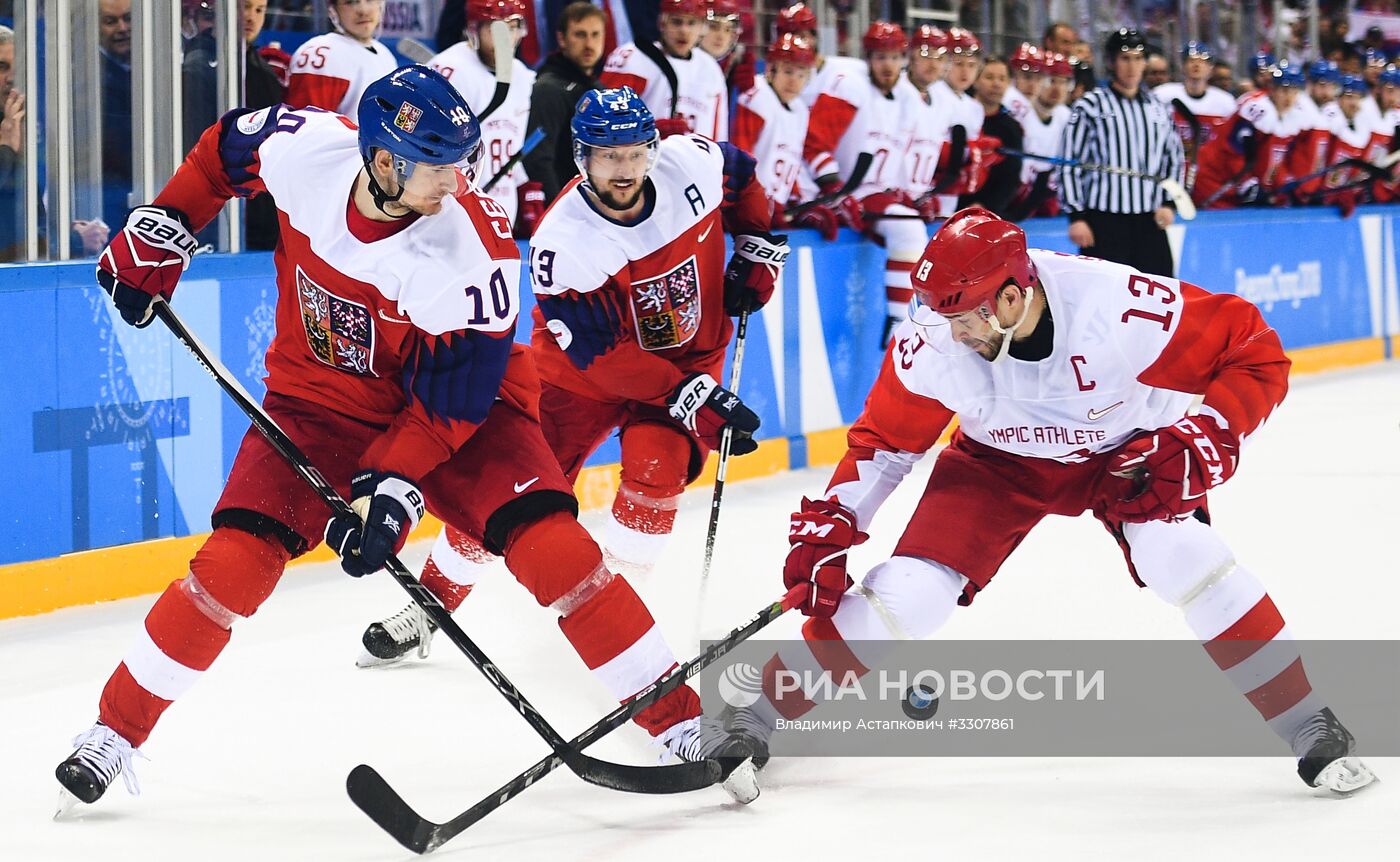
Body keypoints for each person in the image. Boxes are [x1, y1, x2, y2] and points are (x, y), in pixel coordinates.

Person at [54, 67, 744, 810]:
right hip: (317, 407)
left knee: (557, 551)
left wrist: (391, 489)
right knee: (231, 566)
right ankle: (113, 732)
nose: (459, 180)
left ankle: (680, 724)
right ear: (382, 161)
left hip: (464, 413)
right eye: (440, 164)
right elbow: (224, 149)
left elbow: (454, 402)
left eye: (463, 160)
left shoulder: (473, 252)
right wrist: (168, 224)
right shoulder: (306, 151)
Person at [744, 207, 1377, 797]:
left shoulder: (1118, 308)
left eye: (963, 317)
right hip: (998, 464)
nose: (950, 332)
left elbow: (1254, 351)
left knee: (1185, 556)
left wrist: (1204, 435)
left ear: (1014, 297)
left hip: (1124, 455)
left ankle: (1307, 722)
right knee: (909, 593)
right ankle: (753, 717)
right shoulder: (935, 338)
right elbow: (884, 443)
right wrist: (834, 522)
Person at [356, 86, 780, 664]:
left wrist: (756, 244)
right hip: (578, 380)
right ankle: (430, 608)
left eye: (634, 153)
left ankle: (621, 614)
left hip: (682, 362)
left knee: (657, 470)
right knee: (513, 494)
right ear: (583, 159)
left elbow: (744, 177)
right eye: (608, 155)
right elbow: (602, 356)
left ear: (654, 150)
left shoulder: (695, 164)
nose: (624, 168)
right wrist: (687, 394)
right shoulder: (564, 240)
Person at [804, 22, 923, 344]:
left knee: (915, 224)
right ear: (868, 58)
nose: (888, 65)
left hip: (878, 194)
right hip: (847, 192)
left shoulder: (907, 96)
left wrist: (909, 191)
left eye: (895, 57)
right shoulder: (849, 86)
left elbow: (901, 152)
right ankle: (900, 323)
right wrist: (834, 191)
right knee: (908, 228)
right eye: (880, 57)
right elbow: (814, 142)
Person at [1059, 28, 1182, 277]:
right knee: (1102, 298)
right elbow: (1069, 162)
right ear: (1112, 62)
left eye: (1138, 58)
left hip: (1149, 219)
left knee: (1159, 293)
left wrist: (1170, 203)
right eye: (1125, 59)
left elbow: (1174, 159)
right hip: (1103, 221)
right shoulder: (1090, 105)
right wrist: (1076, 216)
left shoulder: (1158, 108)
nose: (1132, 66)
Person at [429, 0, 542, 237]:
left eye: (512, 27)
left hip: (501, 212)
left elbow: (511, 143)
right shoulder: (449, 71)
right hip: (450, 212)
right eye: (496, 29)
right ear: (473, 29)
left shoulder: (522, 76)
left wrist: (524, 187)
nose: (506, 40)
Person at [599, 0, 728, 141]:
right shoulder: (632, 58)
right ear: (662, 23)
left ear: (702, 27)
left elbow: (718, 133)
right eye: (676, 22)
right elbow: (603, 120)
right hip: (643, 159)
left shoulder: (710, 68)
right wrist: (646, 132)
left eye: (691, 23)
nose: (684, 31)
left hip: (694, 160)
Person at [524, 0, 607, 203]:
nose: (589, 44)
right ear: (562, 39)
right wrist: (559, 208)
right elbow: (537, 159)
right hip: (565, 209)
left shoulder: (598, 89)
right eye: (580, 34)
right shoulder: (548, 88)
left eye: (595, 34)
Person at [733, 33, 817, 232]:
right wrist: (758, 203)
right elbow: (741, 158)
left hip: (774, 209)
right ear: (771, 69)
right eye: (788, 72)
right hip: (748, 209)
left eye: (801, 74)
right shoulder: (757, 97)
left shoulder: (800, 110)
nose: (794, 81)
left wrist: (799, 204)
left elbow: (791, 162)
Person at [1193, 64, 1305, 209]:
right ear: (1273, 89)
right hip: (1213, 177)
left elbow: (1274, 160)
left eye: (1294, 91)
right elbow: (1231, 152)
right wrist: (1247, 184)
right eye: (1284, 90)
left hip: (1234, 185)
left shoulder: (1291, 115)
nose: (1289, 97)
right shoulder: (1257, 109)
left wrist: (1284, 184)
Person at [285, 0, 397, 121]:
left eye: (369, 0)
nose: (363, 11)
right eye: (350, 2)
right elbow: (307, 128)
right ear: (333, 10)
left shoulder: (385, 54)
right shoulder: (321, 53)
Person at [1010, 51, 1072, 220]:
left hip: (1045, 198)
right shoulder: (1016, 109)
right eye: (1052, 80)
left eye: (1063, 82)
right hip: (1012, 196)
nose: (1057, 88)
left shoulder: (1066, 116)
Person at [961, 55, 1023, 217]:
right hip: (951, 204)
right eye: (989, 77)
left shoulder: (1011, 128)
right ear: (975, 80)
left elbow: (1010, 178)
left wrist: (986, 207)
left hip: (989, 212)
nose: (996, 84)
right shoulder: (958, 114)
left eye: (1002, 79)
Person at [1153, 42, 1238, 158]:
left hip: (1208, 170)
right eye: (1191, 60)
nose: (1196, 65)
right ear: (1183, 66)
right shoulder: (1162, 95)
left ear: (1210, 68)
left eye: (1202, 61)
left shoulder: (1225, 102)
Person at [99, 0, 135, 234]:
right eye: (111, 21)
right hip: (107, 204)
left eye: (128, 18)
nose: (122, 28)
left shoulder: (155, 67)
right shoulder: (86, 76)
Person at [1003, 42, 1042, 128]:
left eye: (1038, 79)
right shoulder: (1008, 102)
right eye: (1027, 77)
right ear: (1012, 76)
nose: (1032, 85)